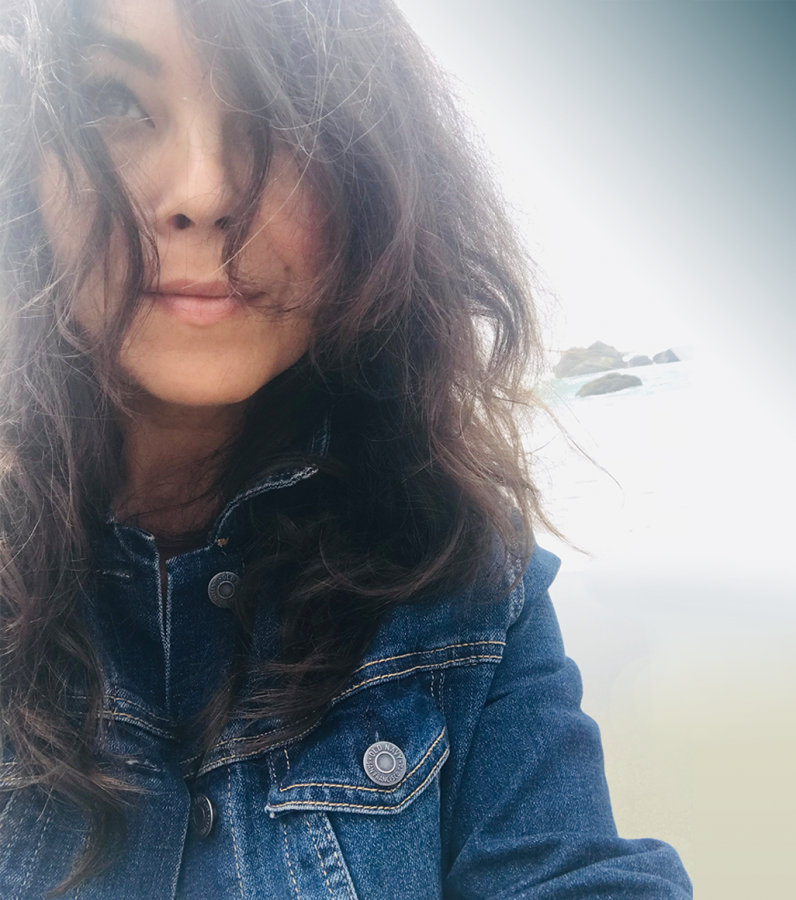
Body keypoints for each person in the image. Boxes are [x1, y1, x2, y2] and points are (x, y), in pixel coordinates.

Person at [0, 0, 692, 897]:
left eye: (278, 114)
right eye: (112, 100)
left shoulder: (465, 582)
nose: (204, 192)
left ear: (370, 183)